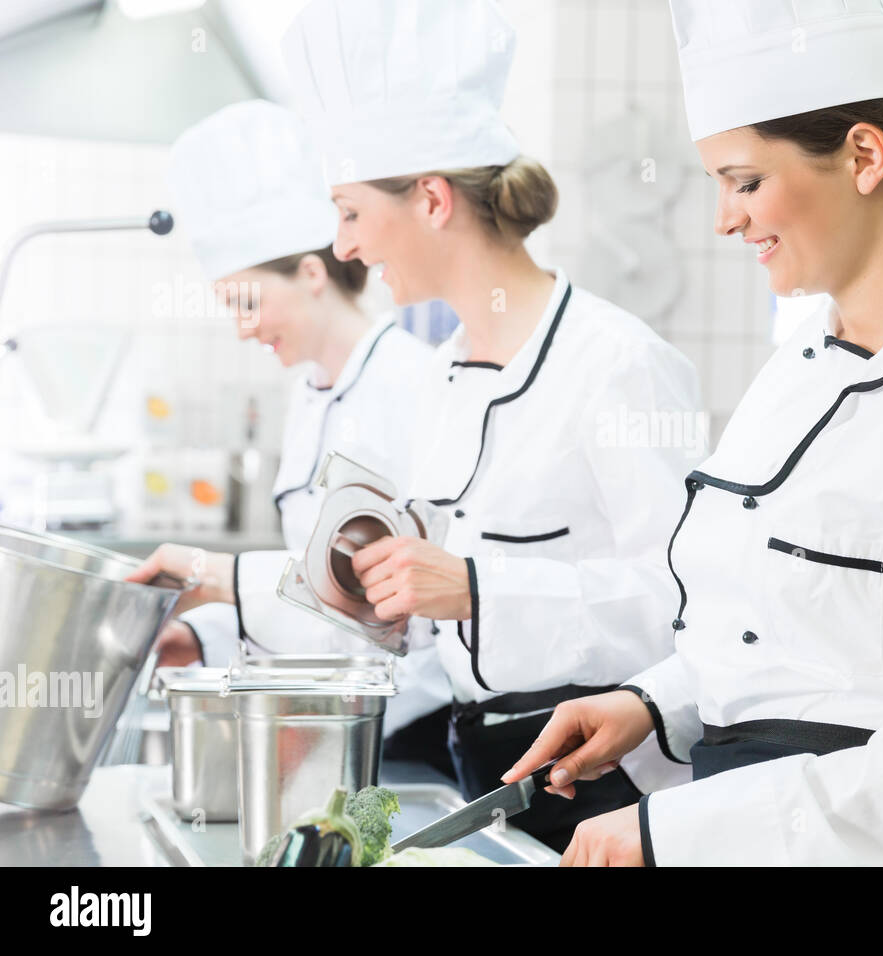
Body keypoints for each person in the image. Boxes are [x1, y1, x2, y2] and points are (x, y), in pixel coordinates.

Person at [504, 0, 883, 866]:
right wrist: (653, 704)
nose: (724, 219)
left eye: (745, 181)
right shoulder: (800, 366)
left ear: (864, 156)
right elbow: (784, 647)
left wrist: (676, 831)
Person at [139, 0, 704, 853]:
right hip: (483, 770)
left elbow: (688, 609)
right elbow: (388, 614)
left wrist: (477, 586)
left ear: (433, 200)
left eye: (352, 213)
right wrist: (221, 582)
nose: (345, 248)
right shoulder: (446, 379)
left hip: (606, 779)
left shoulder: (618, 365)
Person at [135, 99, 454, 776]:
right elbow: (306, 596)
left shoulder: (411, 385)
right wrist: (202, 634)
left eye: (245, 302)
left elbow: (377, 612)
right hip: (337, 718)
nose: (243, 328)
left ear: (312, 273)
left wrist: (211, 577)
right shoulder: (309, 395)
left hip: (409, 731)